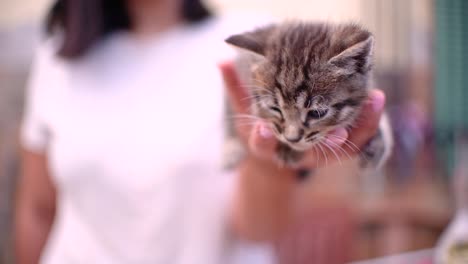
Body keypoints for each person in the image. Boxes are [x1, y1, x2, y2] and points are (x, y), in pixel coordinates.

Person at [14, 0, 386, 263]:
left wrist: (268, 163)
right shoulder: (57, 60)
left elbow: (258, 230)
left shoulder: (253, 46)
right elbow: (37, 210)